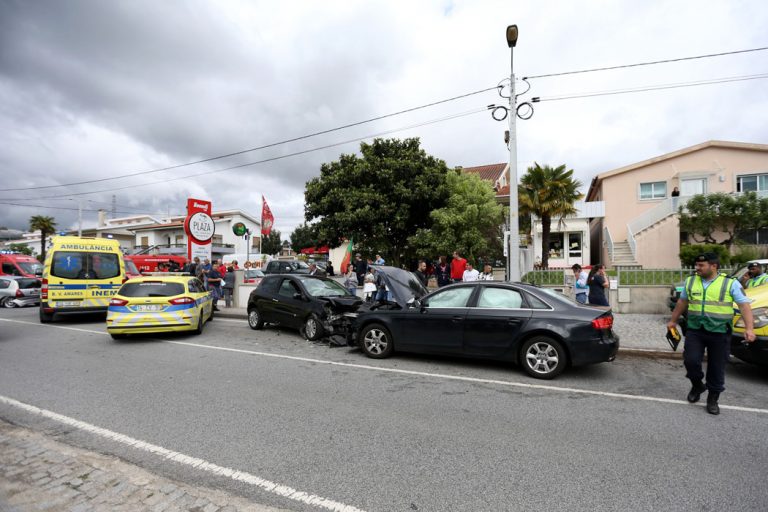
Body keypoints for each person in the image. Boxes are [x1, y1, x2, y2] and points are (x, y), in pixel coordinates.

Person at [668, 252, 755, 415]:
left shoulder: (730, 283)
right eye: (697, 265)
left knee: (717, 366)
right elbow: (682, 302)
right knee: (691, 361)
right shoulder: (691, 281)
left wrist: (749, 328)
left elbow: (744, 306)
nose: (697, 268)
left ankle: (713, 398)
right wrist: (673, 321)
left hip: (720, 332)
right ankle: (697, 385)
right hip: (695, 329)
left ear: (713, 266)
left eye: (701, 265)